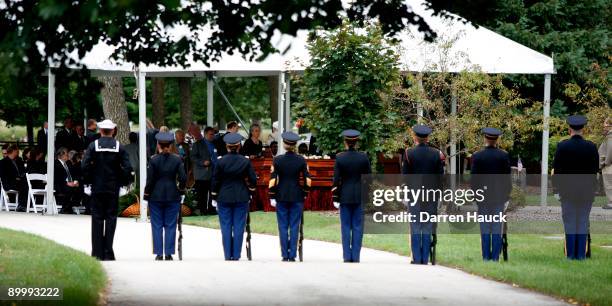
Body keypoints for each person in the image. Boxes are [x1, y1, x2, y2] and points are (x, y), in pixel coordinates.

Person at [82, 119, 133, 261]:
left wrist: (87, 183)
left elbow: (84, 166)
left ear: (100, 131)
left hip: (97, 188)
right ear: (113, 131)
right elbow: (127, 168)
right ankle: (108, 252)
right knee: (111, 219)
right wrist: (123, 183)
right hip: (113, 188)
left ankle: (97, 253)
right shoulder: (119, 147)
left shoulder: (93, 146)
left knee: (97, 219)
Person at [552, 115, 599, 260]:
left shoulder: (563, 146)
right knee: (583, 222)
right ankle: (581, 255)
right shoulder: (591, 147)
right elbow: (594, 171)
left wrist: (556, 190)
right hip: (586, 192)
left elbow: (557, 171)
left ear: (569, 129)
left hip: (567, 192)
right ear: (583, 129)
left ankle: (570, 255)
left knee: (570, 223)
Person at [402, 125, 444, 265]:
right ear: (428, 138)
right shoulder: (437, 153)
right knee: (427, 225)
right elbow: (440, 179)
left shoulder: (409, 153)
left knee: (415, 225)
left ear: (415, 137)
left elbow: (405, 178)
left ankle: (417, 258)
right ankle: (425, 258)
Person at [211, 133, 257, 261]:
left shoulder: (221, 161)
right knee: (238, 226)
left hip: (224, 197)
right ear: (238, 146)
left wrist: (214, 195)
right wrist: (251, 191)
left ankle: (227, 255)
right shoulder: (245, 161)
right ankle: (236, 255)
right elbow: (253, 179)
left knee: (225, 226)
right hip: (241, 196)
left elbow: (215, 180)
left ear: (227, 146)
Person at [269, 131, 311, 262]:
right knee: (294, 225)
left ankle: (284, 254)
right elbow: (308, 180)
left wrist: (272, 196)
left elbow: (273, 180)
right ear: (294, 145)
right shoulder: (301, 160)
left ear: (284, 144)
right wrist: (304, 193)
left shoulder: (277, 160)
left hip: (281, 195)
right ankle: (292, 254)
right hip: (297, 195)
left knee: (282, 225)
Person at [470, 127, 512, 261]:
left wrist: (476, 196)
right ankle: (495, 258)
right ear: (497, 139)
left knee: (485, 228)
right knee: (496, 228)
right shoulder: (503, 155)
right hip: (499, 197)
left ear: (485, 138)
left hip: (483, 197)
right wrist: (506, 197)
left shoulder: (477, 156)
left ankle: (486, 257)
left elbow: (474, 180)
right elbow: (507, 180)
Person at [144, 132, 186, 261]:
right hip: (173, 194)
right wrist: (181, 189)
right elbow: (183, 177)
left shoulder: (153, 159)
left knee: (156, 225)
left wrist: (146, 194)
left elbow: (150, 180)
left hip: (156, 196)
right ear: (170, 145)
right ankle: (168, 253)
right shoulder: (177, 159)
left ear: (159, 145)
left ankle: (158, 253)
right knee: (170, 224)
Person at [332, 130, 371, 263]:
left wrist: (335, 198)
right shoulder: (364, 157)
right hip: (360, 195)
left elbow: (336, 180)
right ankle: (356, 256)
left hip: (345, 196)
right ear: (356, 142)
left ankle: (347, 256)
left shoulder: (340, 157)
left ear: (345, 142)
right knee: (358, 227)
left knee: (346, 226)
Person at [192, 126, 215, 215]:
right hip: (201, 173)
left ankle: (211, 209)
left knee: (212, 192)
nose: (212, 136)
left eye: (213, 134)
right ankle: (202, 210)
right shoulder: (197, 144)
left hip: (213, 172)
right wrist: (202, 162)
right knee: (202, 193)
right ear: (205, 134)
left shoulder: (214, 144)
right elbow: (193, 157)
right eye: (210, 134)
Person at [0, 144, 28, 211]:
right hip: (9, 183)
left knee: (26, 183)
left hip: (18, 181)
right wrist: (15, 178)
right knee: (24, 185)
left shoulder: (18, 160)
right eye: (17, 151)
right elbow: (4, 175)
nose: (18, 153)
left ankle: (24, 204)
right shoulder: (3, 162)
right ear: (14, 151)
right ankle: (22, 205)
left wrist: (20, 177)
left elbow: (23, 171)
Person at [54, 147, 80, 214]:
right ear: (61, 155)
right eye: (66, 155)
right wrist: (67, 183)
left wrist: (76, 181)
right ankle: (65, 208)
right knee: (69, 188)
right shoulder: (55, 164)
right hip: (60, 184)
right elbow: (57, 178)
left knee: (81, 188)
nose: (68, 156)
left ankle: (69, 207)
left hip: (70, 183)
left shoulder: (68, 163)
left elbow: (74, 173)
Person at [598, 118, 612, 209]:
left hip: (609, 165)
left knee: (609, 184)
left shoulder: (610, 136)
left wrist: (604, 163)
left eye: (606, 124)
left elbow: (610, 151)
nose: (604, 125)